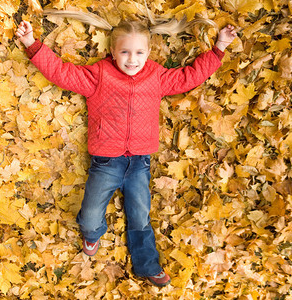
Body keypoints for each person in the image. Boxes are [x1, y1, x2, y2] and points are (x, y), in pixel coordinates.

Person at [16, 16, 237, 287]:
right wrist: (31, 44)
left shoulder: (156, 76)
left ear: (149, 53)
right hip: (106, 162)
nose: (132, 60)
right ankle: (91, 234)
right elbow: (62, 73)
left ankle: (147, 265)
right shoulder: (99, 75)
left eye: (139, 53)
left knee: (140, 216)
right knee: (89, 216)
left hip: (140, 163)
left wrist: (219, 48)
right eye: (125, 52)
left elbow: (188, 77)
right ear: (112, 52)